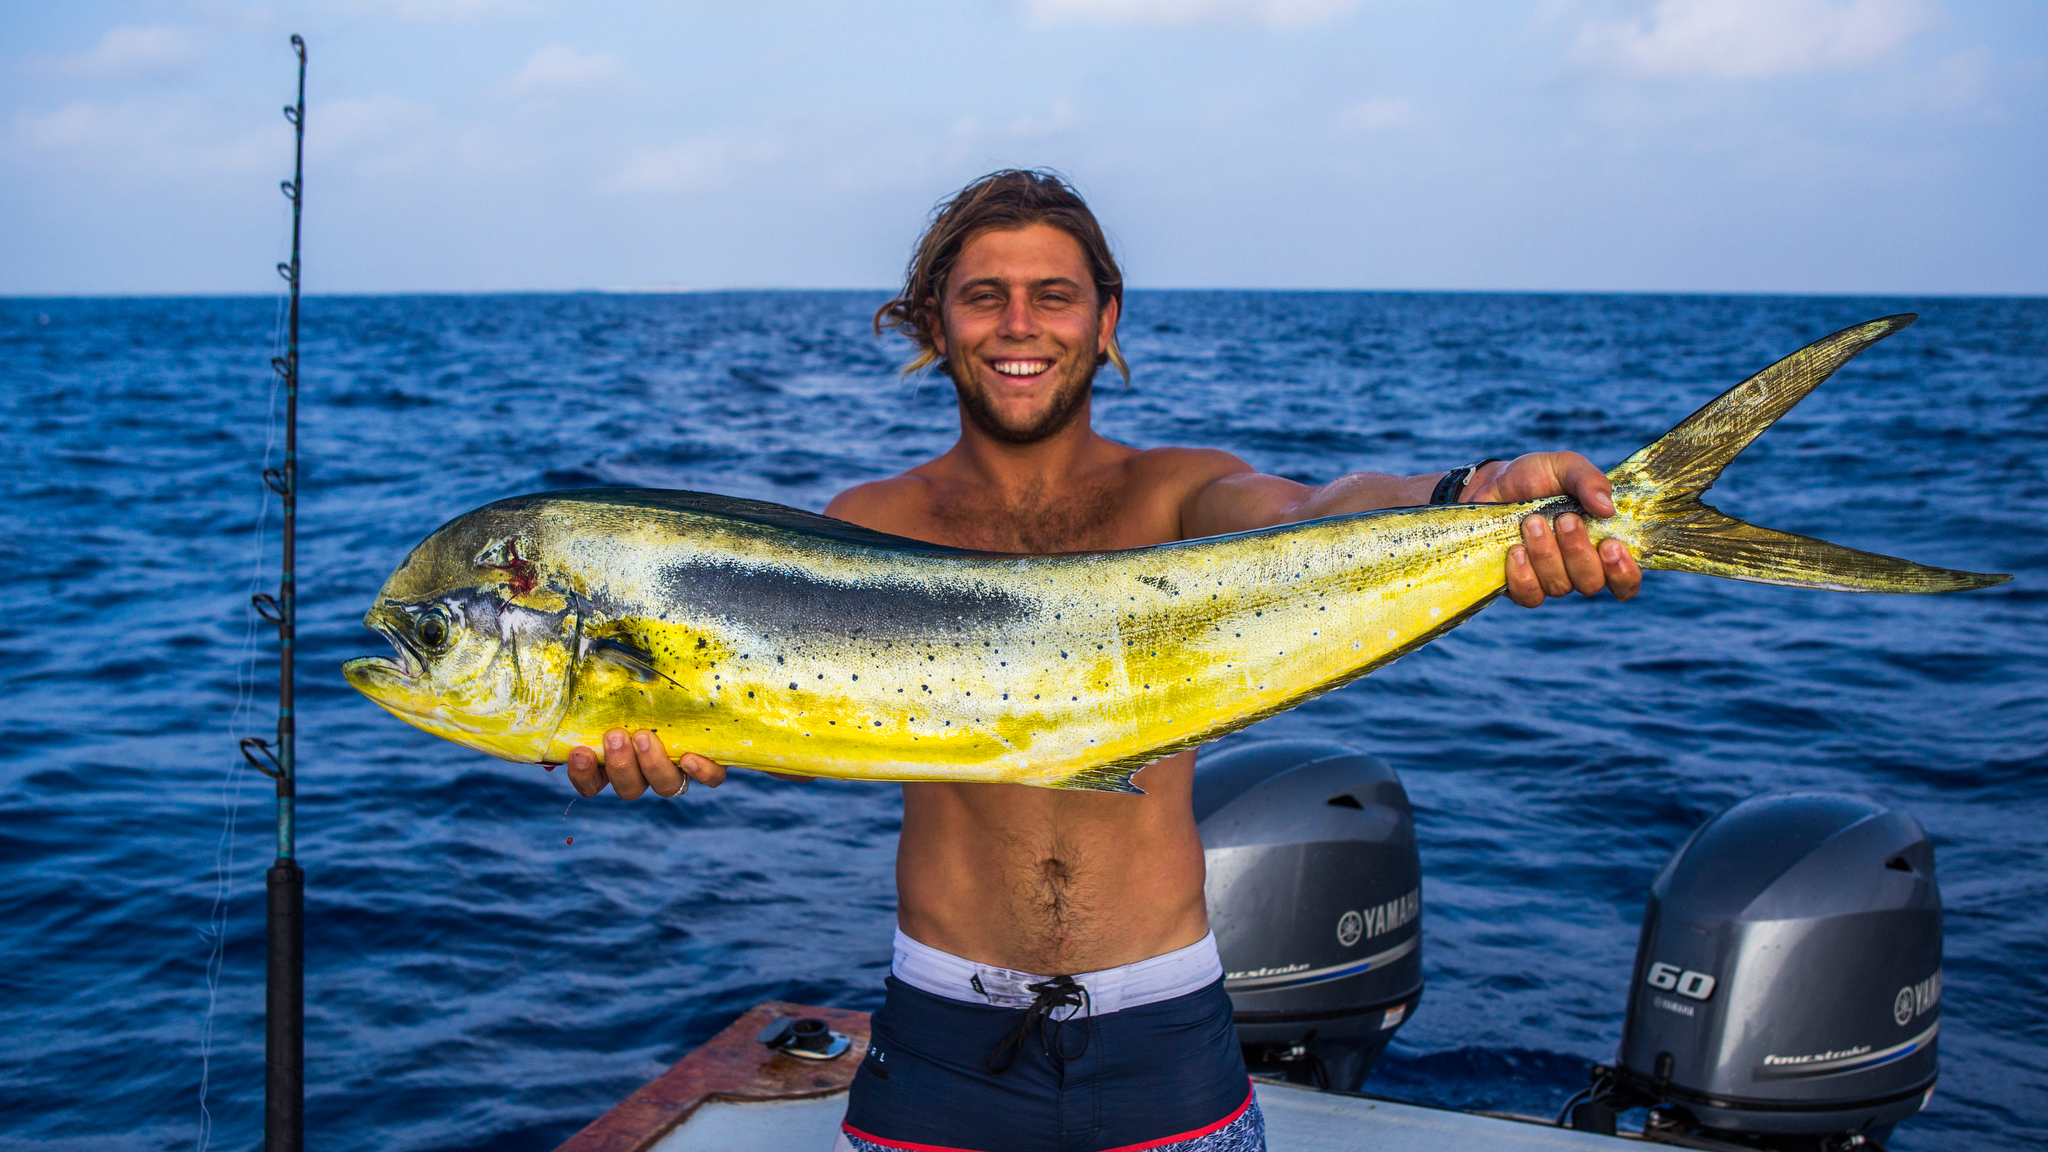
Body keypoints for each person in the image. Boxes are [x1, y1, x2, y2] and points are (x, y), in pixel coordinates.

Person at [564, 170, 1641, 1152]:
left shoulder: (1174, 495)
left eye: (1054, 294)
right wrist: (667, 741)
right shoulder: (866, 524)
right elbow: (784, 713)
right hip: (939, 1047)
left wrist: (1473, 494)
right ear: (935, 323)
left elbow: (1317, 508)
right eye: (982, 295)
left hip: (1166, 1046)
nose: (1017, 325)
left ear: (1105, 319)